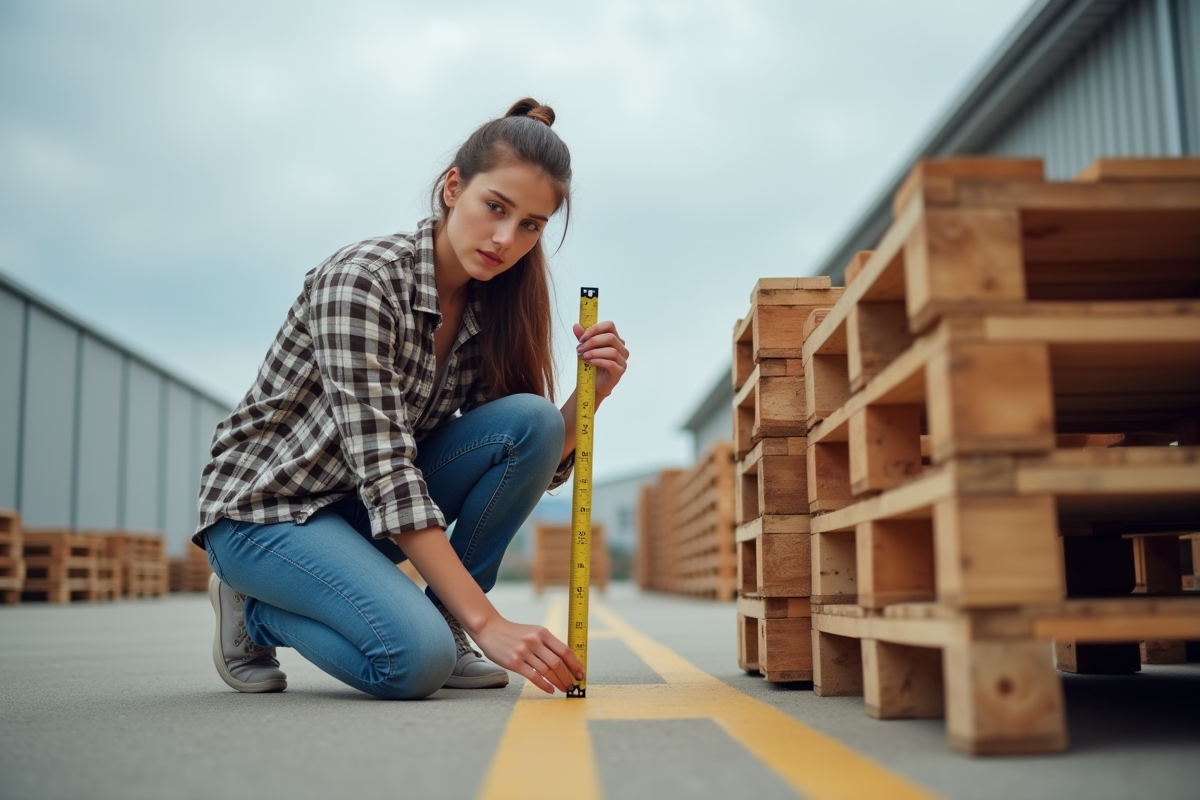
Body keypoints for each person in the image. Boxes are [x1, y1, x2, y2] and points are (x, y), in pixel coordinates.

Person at [192, 98, 629, 700]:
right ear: (454, 188)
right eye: (494, 207)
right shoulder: (362, 281)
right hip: (266, 513)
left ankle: (447, 621)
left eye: (530, 225)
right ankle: (252, 612)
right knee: (413, 663)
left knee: (530, 421)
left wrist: (591, 396)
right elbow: (388, 471)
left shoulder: (486, 306)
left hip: (356, 513)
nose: (506, 239)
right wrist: (490, 622)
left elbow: (516, 456)